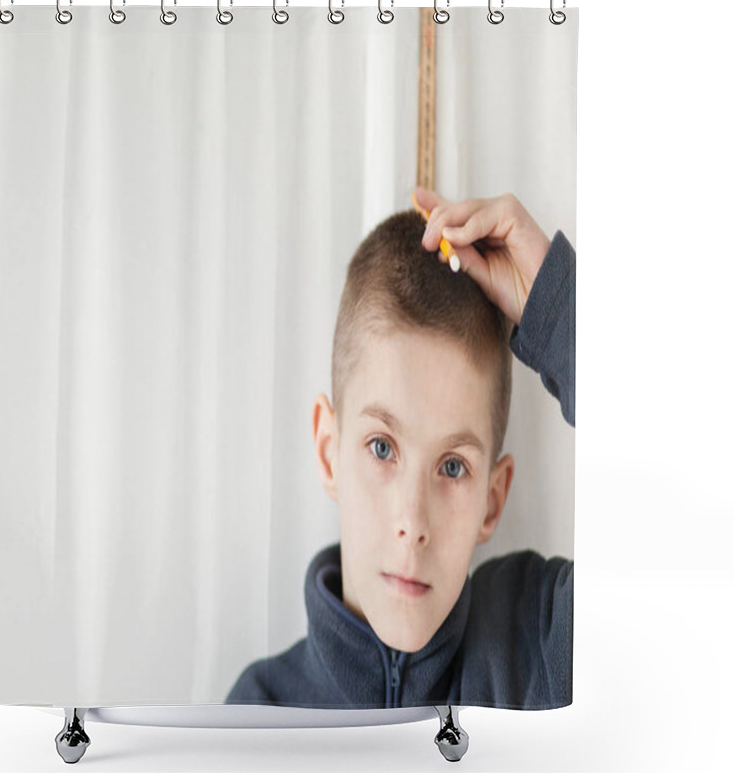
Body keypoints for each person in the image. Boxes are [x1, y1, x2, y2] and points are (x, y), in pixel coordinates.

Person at [225, 187, 575, 709]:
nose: (413, 523)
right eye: (383, 449)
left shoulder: (541, 646)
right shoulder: (256, 719)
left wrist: (561, 313)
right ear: (328, 452)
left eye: (453, 466)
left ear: (493, 499)